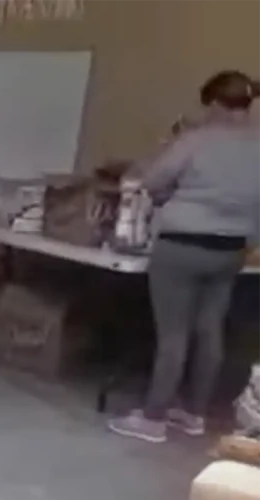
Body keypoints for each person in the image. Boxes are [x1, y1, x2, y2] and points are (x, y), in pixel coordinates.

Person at [109, 71, 260, 443]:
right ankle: (193, 414)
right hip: (231, 250)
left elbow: (152, 180)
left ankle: (153, 418)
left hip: (182, 245)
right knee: (210, 331)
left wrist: (168, 146)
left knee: (173, 335)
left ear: (212, 103)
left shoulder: (195, 140)